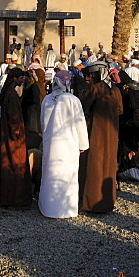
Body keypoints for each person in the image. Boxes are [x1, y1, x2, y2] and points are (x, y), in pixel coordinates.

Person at [38, 70, 88, 219]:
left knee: (50, 174)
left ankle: (48, 207)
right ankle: (67, 209)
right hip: (69, 145)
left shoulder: (47, 100)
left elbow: (42, 123)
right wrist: (83, 144)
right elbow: (80, 124)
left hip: (51, 144)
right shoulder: (73, 100)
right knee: (67, 176)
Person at [79, 61, 123, 213]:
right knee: (108, 164)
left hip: (96, 132)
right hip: (112, 134)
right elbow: (120, 110)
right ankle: (107, 201)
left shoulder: (96, 89)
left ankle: (93, 202)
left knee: (94, 164)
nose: (90, 77)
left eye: (92, 74)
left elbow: (82, 107)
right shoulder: (115, 90)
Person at [0, 68, 32, 208]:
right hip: (14, 138)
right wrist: (16, 133)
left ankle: (8, 198)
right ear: (15, 79)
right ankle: (15, 200)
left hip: (9, 135)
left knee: (9, 165)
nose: (22, 80)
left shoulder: (9, 93)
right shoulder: (11, 95)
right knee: (15, 165)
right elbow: (13, 117)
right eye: (20, 78)